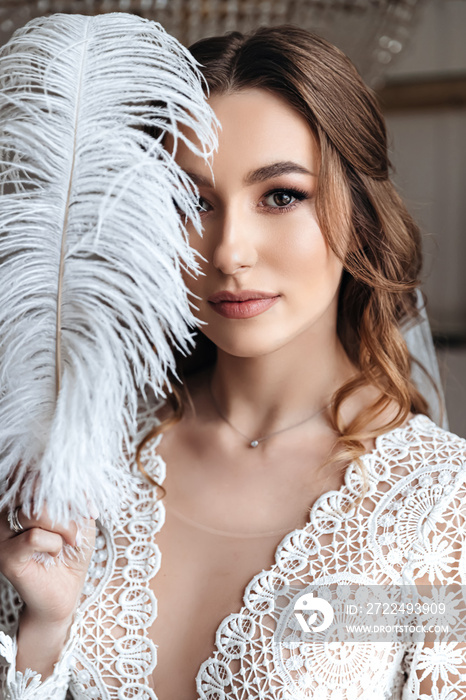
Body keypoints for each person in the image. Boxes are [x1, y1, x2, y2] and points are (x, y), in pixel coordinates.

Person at [1, 23, 465, 700]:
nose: (228, 251)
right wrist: (44, 626)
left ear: (360, 215)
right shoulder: (80, 460)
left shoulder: (438, 510)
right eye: (194, 202)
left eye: (281, 195)